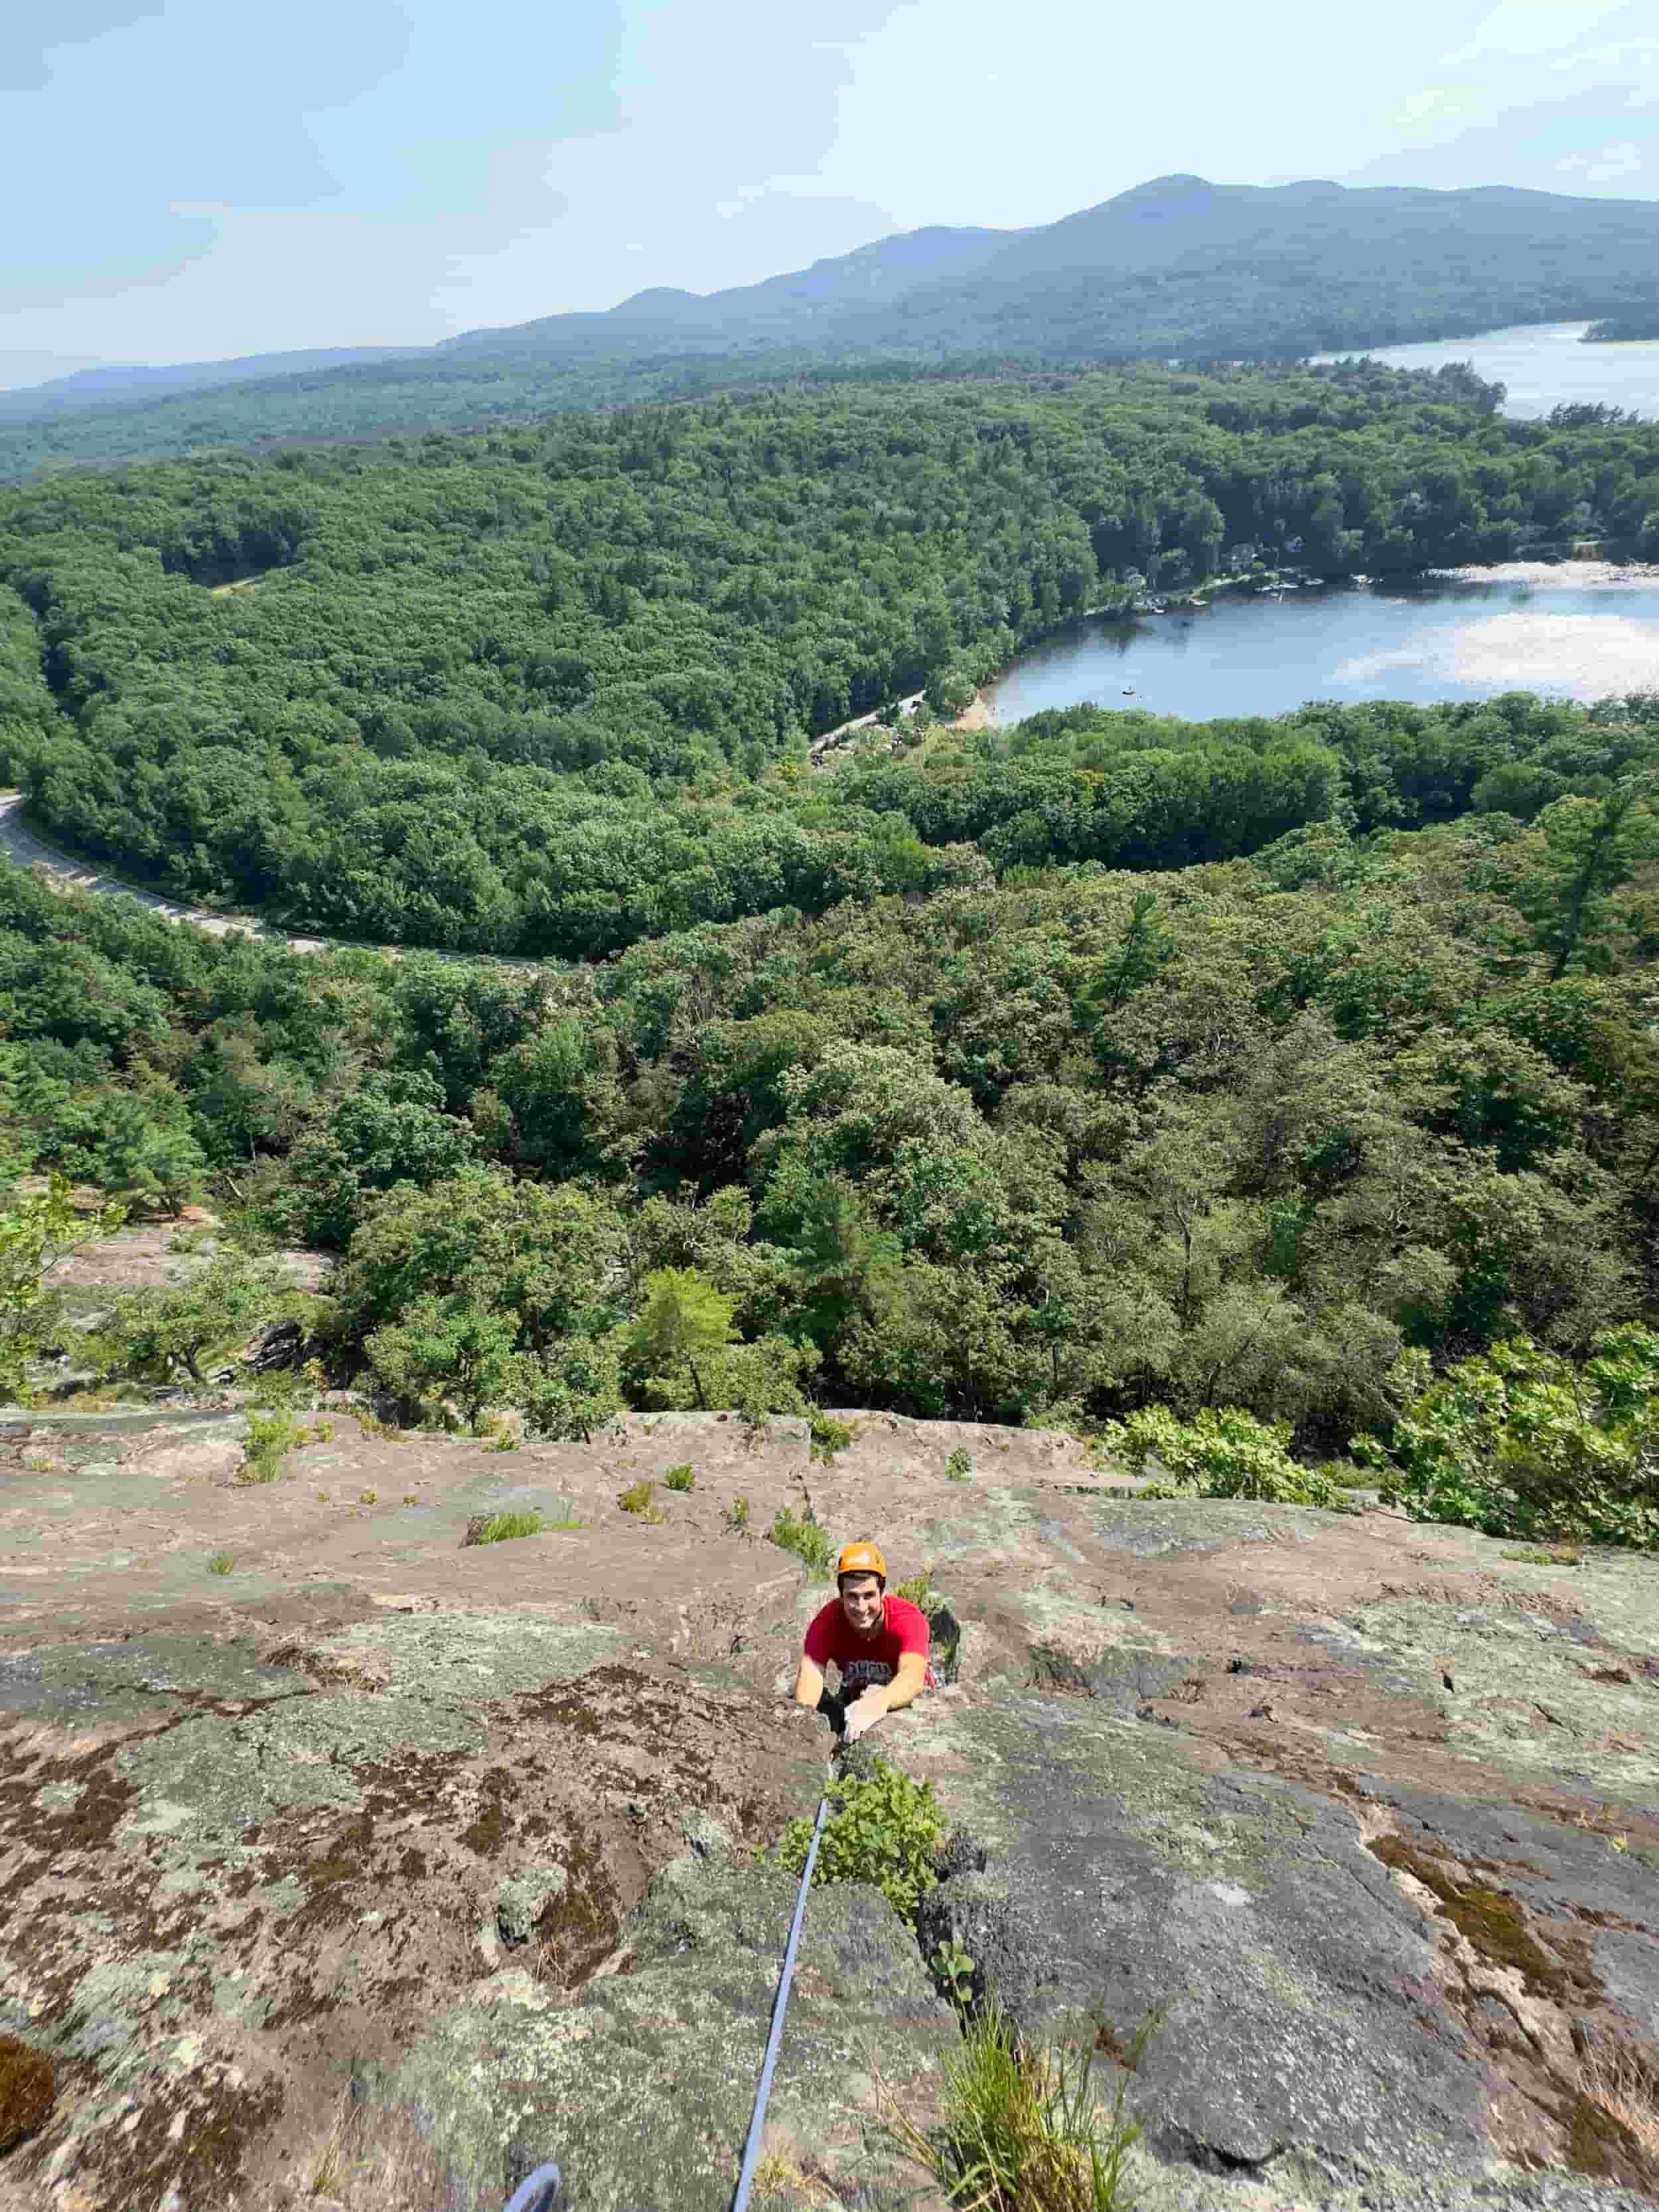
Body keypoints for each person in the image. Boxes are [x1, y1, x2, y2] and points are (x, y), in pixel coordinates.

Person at [794, 1540, 932, 1745]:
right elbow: (809, 1683)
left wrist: (880, 1702)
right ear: (841, 1595)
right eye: (852, 1597)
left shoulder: (907, 1618)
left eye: (869, 1596)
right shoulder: (827, 1623)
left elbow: (913, 1674)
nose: (861, 1607)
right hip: (857, 1698)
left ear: (882, 1592)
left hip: (910, 1698)